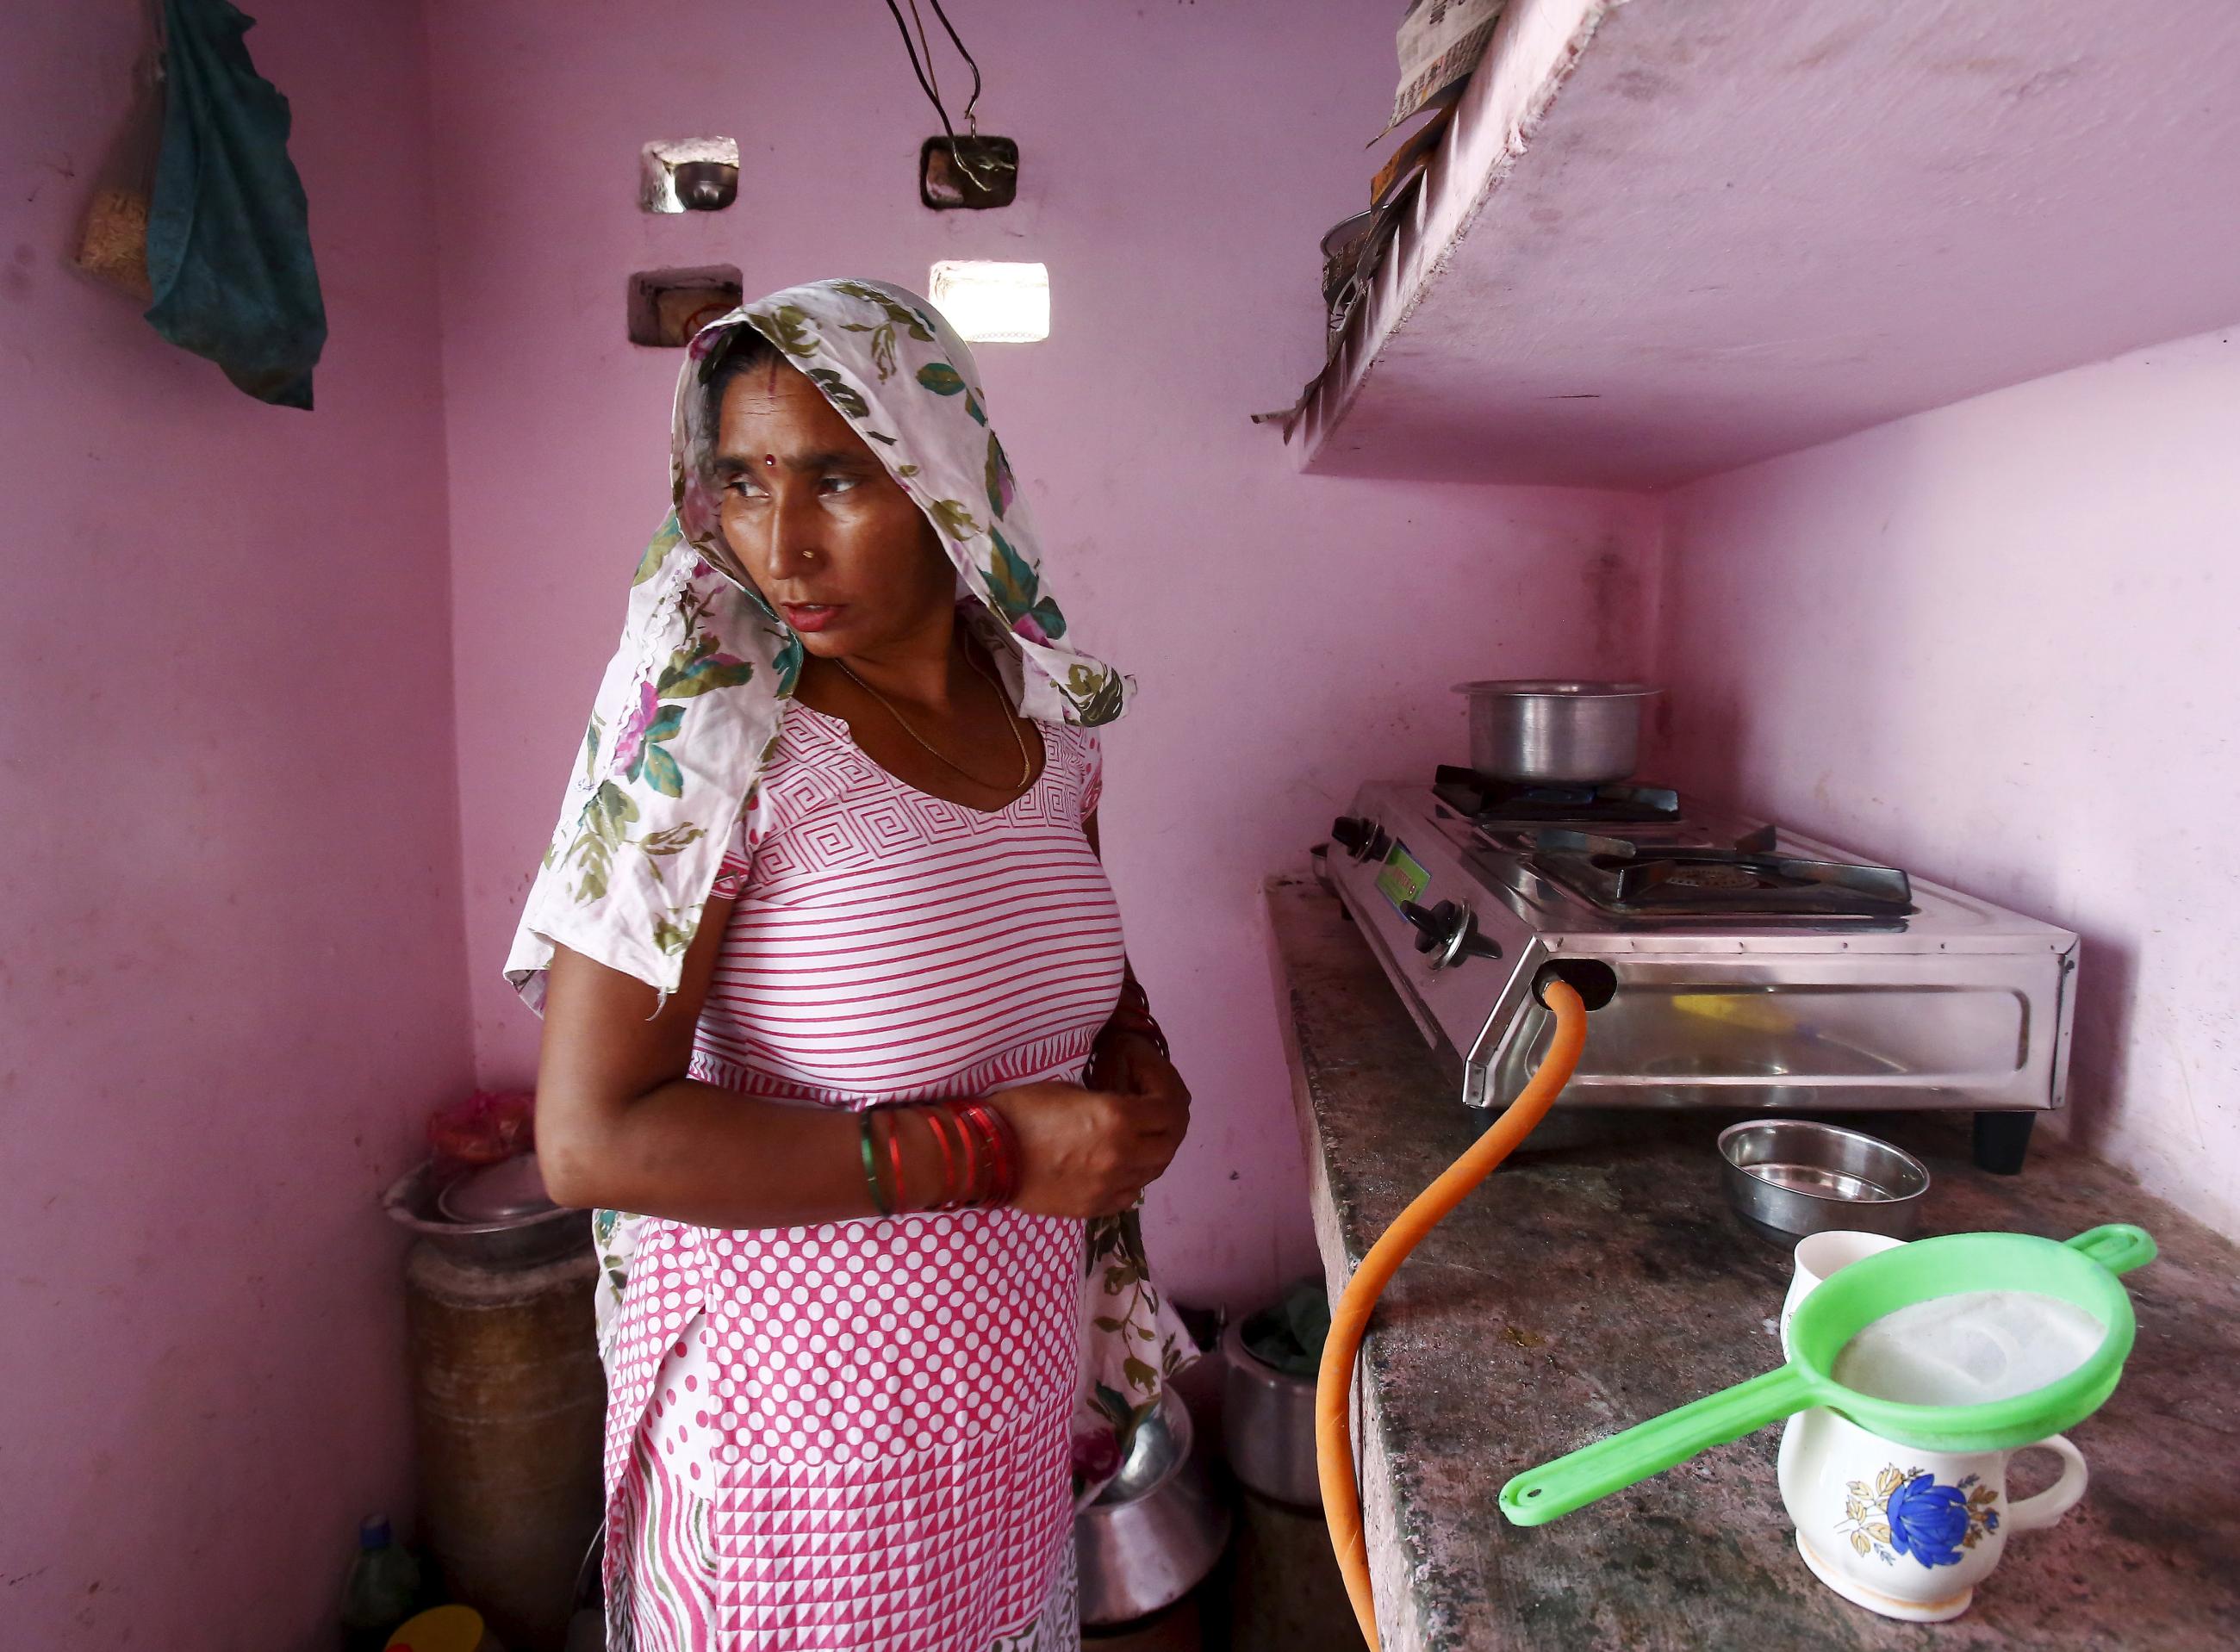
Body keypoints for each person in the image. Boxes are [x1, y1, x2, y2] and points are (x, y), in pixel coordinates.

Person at [507, 279, 1194, 1651]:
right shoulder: (708, 742)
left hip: (1000, 1392)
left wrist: (1141, 1057)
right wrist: (996, 1151)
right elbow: (589, 1140)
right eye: (745, 481)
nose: (781, 545)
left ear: (943, 478)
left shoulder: (1048, 730)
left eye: (835, 478)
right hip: (795, 1438)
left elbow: (1075, 963)